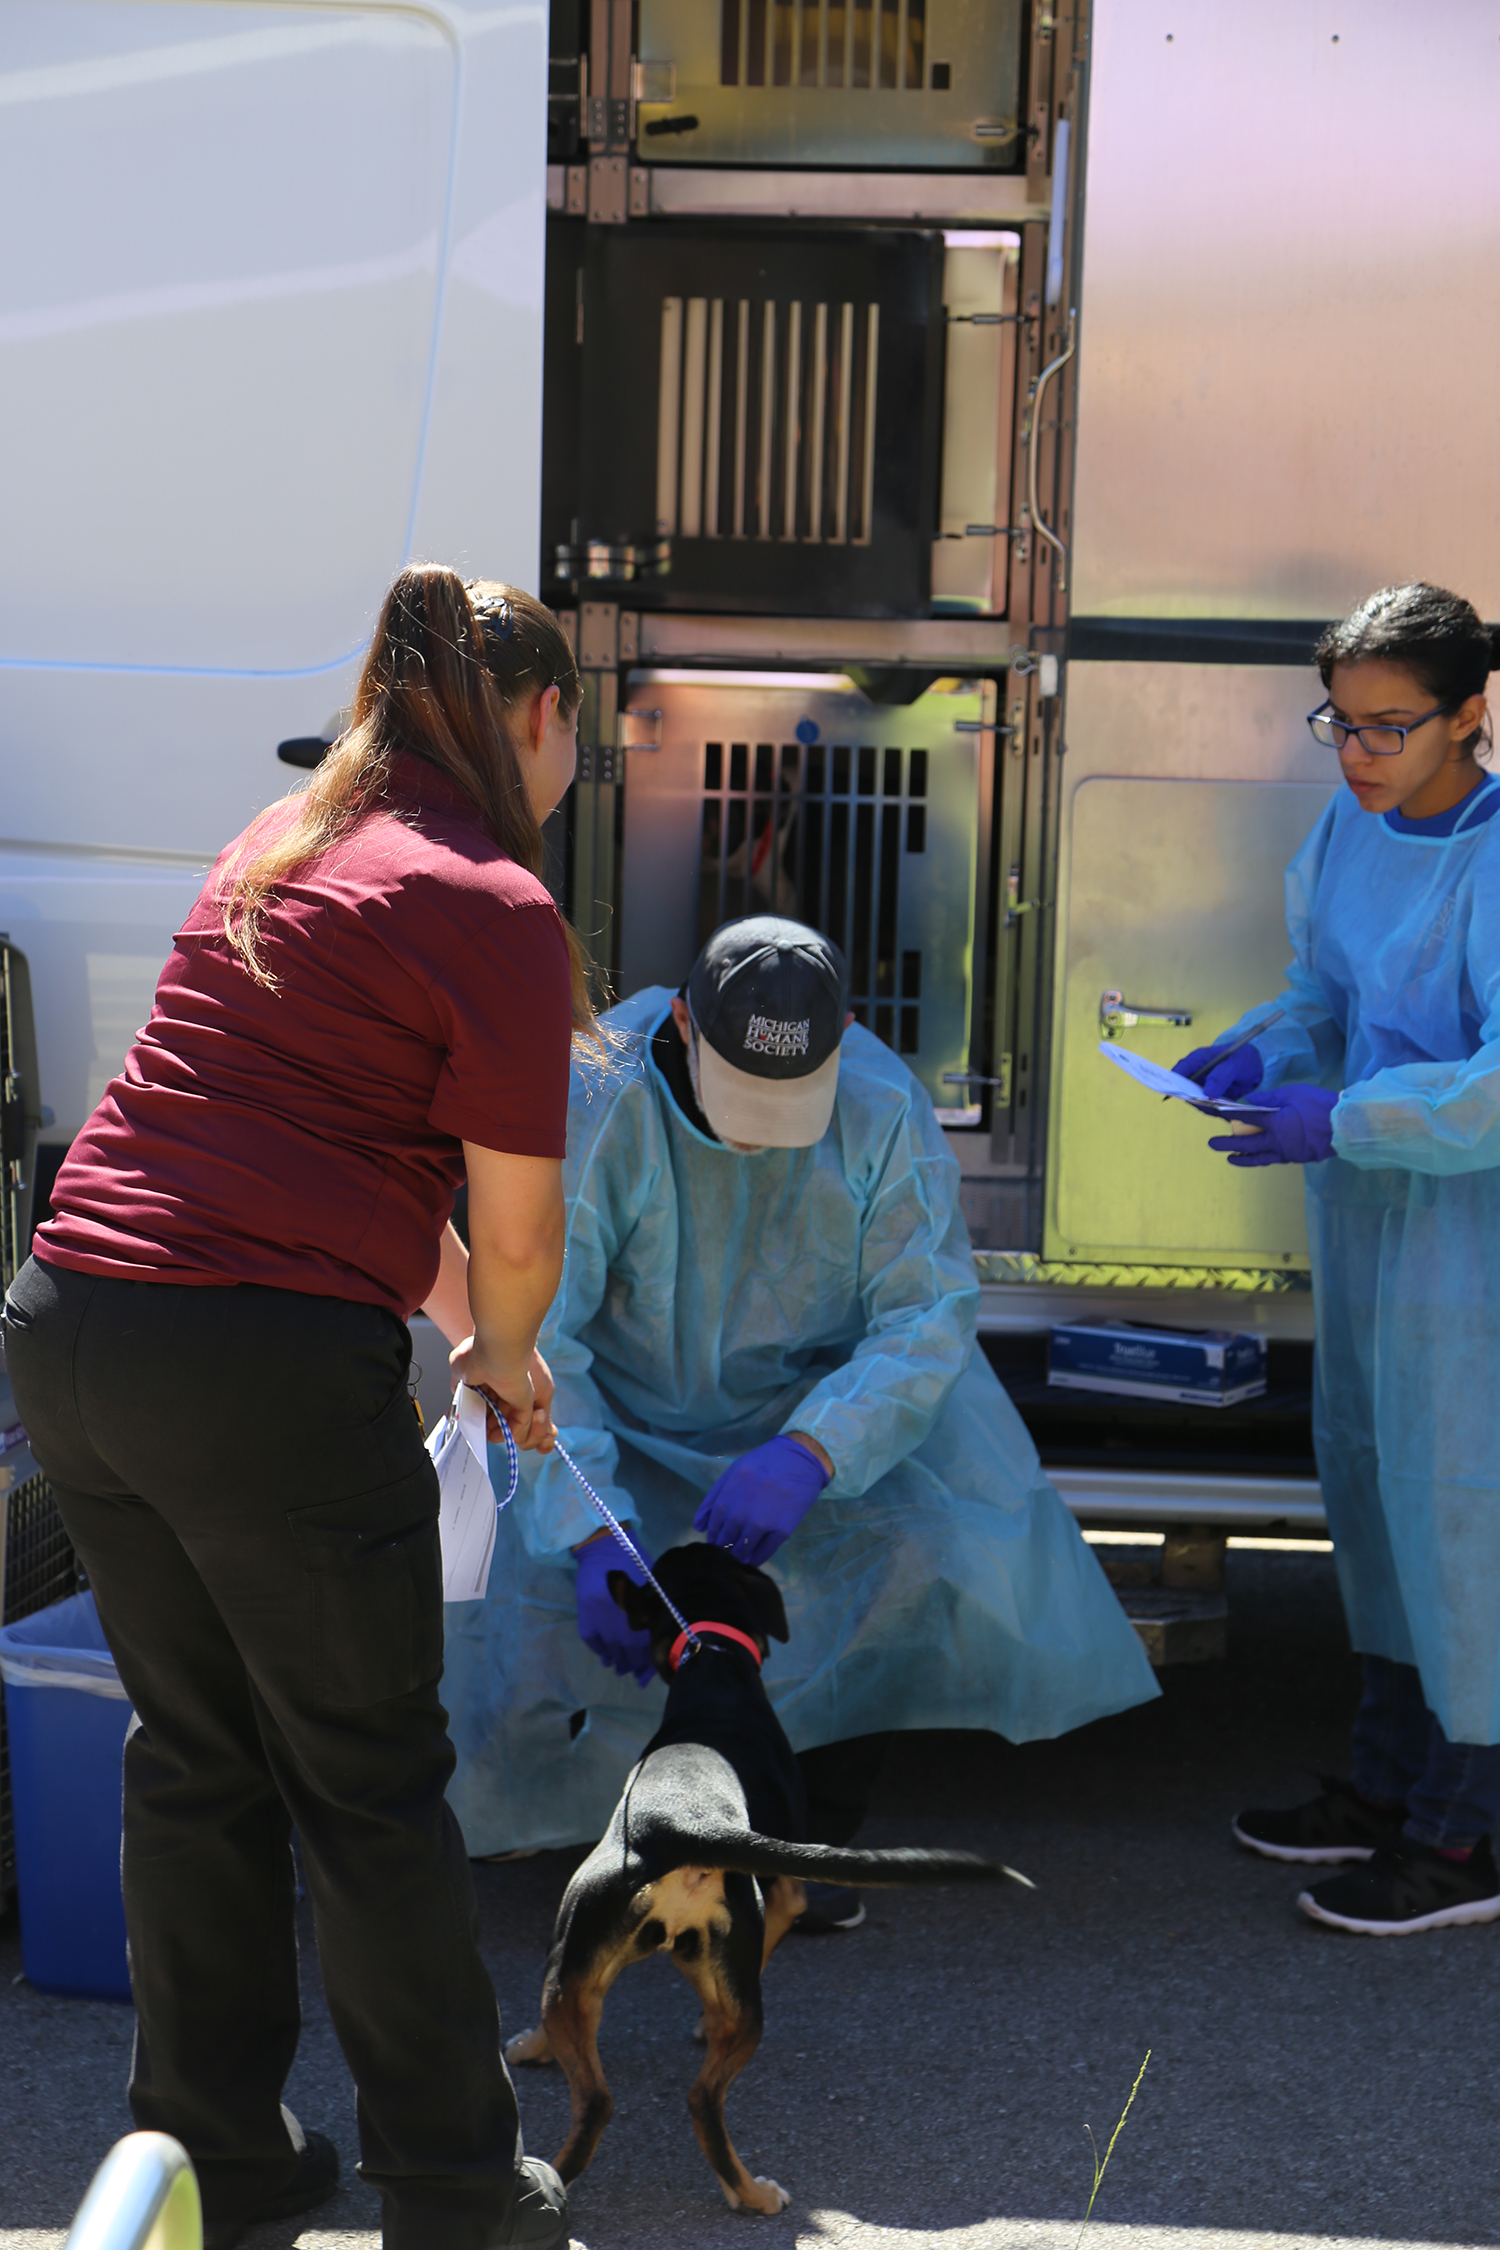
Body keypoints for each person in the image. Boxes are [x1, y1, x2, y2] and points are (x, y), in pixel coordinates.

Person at [2, 568, 588, 2249]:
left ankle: (216, 2153)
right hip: (257, 1366)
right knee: (372, 1775)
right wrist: (511, 1340)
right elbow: (519, 1226)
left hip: (75, 1330)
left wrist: (495, 1344)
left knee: (196, 1757)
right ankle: (458, 2186)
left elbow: (353, 1181)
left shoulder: (282, 839)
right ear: (536, 719)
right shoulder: (489, 898)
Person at [442, 914, 1159, 1912]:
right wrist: (589, 1523)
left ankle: (805, 1839)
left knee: (907, 1550)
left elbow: (926, 1312)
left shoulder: (881, 1105)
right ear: (686, 1026)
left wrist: (818, 1448)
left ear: (848, 1033)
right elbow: (539, 1337)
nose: (756, 1135)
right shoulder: (599, 1095)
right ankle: (565, 1818)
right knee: (516, 1578)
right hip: (611, 1417)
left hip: (806, 1411)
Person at [1175, 581, 1500, 1936]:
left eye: (1389, 727)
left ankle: (1467, 1831)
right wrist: (1266, 1048)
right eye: (1342, 724)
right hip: (1371, 1231)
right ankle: (1386, 1779)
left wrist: (1349, 1114)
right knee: (1370, 1494)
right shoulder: (1350, 831)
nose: (1358, 753)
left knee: (1463, 1514)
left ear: (1472, 715)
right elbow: (1327, 995)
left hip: (1470, 1250)